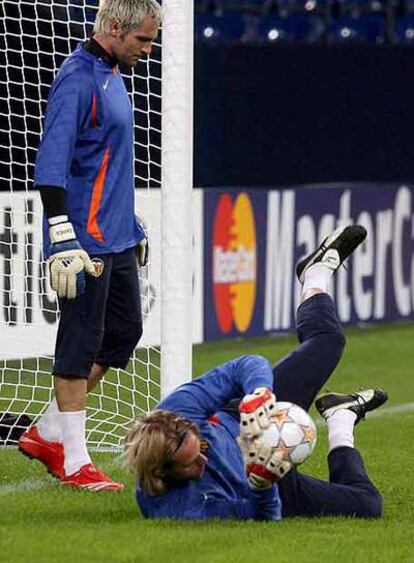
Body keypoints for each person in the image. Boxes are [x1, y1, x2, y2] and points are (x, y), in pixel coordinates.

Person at [123, 225, 388, 519]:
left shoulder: (176, 411)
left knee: (329, 342)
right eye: (190, 463)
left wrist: (258, 392)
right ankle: (341, 419)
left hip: (248, 414)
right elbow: (259, 514)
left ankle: (314, 275)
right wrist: (264, 482)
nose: (202, 457)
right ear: (163, 474)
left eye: (200, 445)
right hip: (264, 479)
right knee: (367, 505)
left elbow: (245, 364)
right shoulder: (178, 508)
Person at [18, 0, 161, 491]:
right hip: (85, 241)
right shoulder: (78, 79)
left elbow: (106, 162)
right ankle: (75, 459)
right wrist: (61, 232)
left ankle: (50, 430)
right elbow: (51, 164)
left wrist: (133, 225)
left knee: (124, 331)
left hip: (117, 236)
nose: (150, 47)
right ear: (115, 28)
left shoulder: (115, 73)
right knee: (80, 341)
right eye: (143, 39)